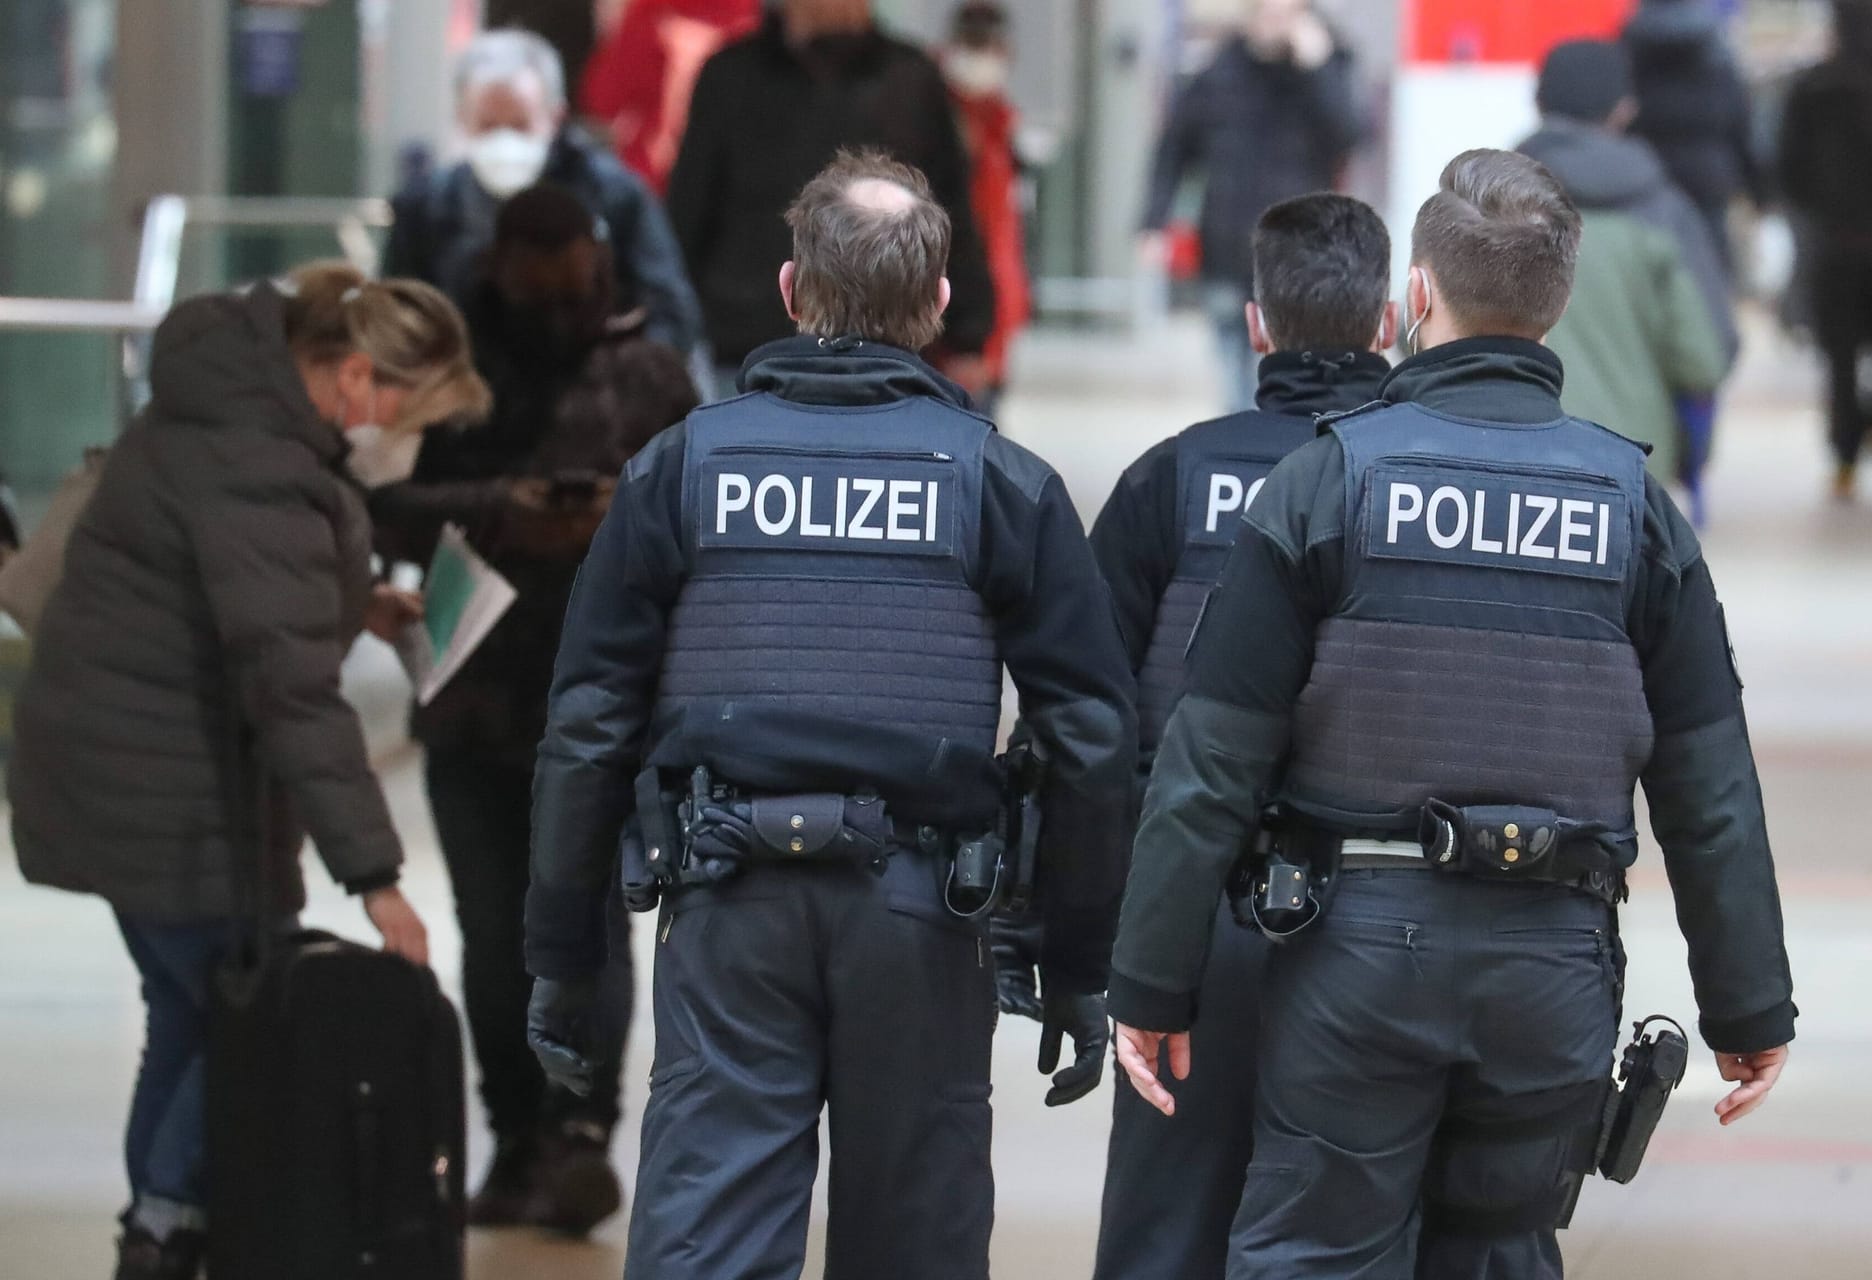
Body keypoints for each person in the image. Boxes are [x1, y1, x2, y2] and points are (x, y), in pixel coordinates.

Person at [1109, 150, 1796, 1278]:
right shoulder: (1634, 509)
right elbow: (1708, 782)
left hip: (1353, 956)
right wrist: (1748, 1001)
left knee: (1315, 1252)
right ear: (1558, 299)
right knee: (1500, 1250)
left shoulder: (1329, 482)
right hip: (1554, 966)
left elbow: (1210, 761)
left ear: (1416, 297)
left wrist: (1151, 978)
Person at [522, 151, 1134, 1280]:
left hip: (724, 900)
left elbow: (589, 722)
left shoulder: (681, 469)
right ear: (942, 303)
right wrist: (1077, 954)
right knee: (916, 1233)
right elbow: (1092, 738)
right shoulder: (1000, 482)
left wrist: (562, 951)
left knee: (711, 1226)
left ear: (793, 290)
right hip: (920, 909)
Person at [7, 264, 490, 1280]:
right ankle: (166, 1227)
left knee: (190, 1012)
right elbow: (289, 687)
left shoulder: (229, 401)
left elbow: (220, 580)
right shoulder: (258, 454)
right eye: (411, 411)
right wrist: (377, 875)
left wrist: (358, 603)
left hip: (118, 761)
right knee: (244, 1012)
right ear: (355, 376)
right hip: (169, 785)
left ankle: (161, 1226)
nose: (411, 441)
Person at [368, 185, 700, 1236]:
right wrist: (500, 509)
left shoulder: (649, 369)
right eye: (538, 287)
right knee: (494, 929)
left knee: (589, 924)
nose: (559, 309)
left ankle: (577, 1134)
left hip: (610, 703)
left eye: (575, 287)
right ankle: (516, 1132)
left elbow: (707, 510)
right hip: (473, 690)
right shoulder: (449, 378)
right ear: (498, 272)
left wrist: (615, 515)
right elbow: (377, 504)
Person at [1082, 193, 1396, 1280]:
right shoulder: (1411, 481)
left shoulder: (1170, 478)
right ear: (1391, 322)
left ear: (1256, 322)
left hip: (1197, 914)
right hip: (1382, 920)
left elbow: (1091, 718)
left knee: (1165, 1225)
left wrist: (1092, 927)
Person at [667, 0, 997, 394]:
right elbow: (687, 208)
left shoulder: (911, 77)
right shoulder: (730, 75)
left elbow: (950, 211)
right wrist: (670, 329)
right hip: (747, 340)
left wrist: (969, 333)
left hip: (885, 344)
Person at [384, 28, 703, 353]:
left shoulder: (615, 196)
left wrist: (614, 380)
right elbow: (393, 317)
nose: (504, 140)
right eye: (488, 125)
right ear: (462, 119)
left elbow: (671, 313)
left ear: (555, 117)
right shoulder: (424, 207)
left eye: (520, 124)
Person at [1520, 39, 1731, 497]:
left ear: (1538, 101)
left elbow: (1423, 331)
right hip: (1633, 465)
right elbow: (1704, 358)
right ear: (1623, 109)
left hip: (1512, 459)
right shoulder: (1665, 211)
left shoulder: (1488, 206)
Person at [1139, 0, 1366, 410]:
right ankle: (1247, 459)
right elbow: (1174, 149)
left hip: (1301, 260)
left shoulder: (1328, 66)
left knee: (1293, 378)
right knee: (1235, 385)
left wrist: (1318, 68)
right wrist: (1154, 221)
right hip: (1228, 249)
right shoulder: (1219, 72)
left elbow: (1350, 135)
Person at [1776, 0, 1872, 500]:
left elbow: (1788, 168)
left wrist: (1817, 216)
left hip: (1834, 245)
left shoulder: (1812, 86)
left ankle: (1844, 457)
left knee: (1840, 358)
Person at [1622, 0, 1765, 266]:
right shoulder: (1714, 46)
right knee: (1709, 268)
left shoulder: (1629, 44)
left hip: (1648, 175)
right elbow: (1738, 121)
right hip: (1708, 176)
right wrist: (1759, 189)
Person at [940, 0, 1031, 418]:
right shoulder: (934, 122)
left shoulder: (999, 124)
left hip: (992, 314)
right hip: (950, 323)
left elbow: (1001, 232)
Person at [581, 0, 763, 195]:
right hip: (725, 188)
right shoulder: (759, 21)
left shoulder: (651, 10)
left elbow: (603, 99)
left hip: (649, 182)